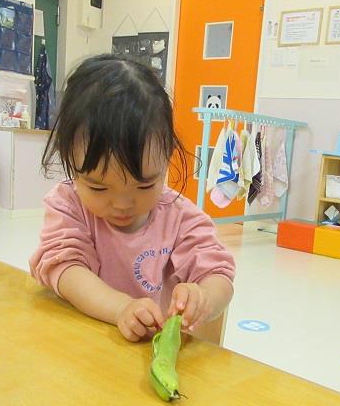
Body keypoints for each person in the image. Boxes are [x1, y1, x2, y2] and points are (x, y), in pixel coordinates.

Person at [30, 54, 235, 343]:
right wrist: (121, 308)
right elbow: (65, 269)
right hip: (82, 346)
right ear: (71, 165)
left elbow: (219, 274)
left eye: (144, 185)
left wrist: (204, 296)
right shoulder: (69, 205)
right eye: (99, 188)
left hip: (144, 356)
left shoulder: (178, 217)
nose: (123, 204)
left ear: (166, 159)